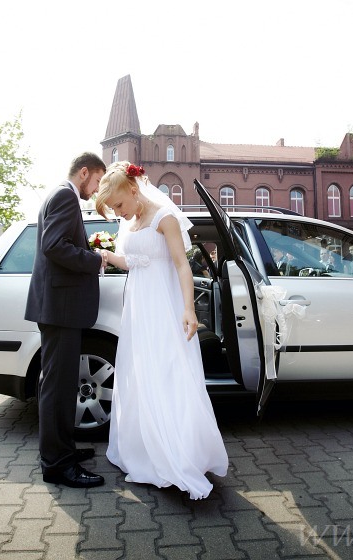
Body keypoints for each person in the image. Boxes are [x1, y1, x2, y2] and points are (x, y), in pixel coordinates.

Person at [95, 161, 228, 500]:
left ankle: (178, 451)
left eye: (120, 205)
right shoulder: (133, 223)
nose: (119, 213)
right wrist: (107, 255)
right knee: (142, 375)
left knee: (169, 373)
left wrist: (188, 309)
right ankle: (144, 450)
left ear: (134, 190)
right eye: (114, 209)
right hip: (138, 311)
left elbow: (183, 266)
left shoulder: (164, 217)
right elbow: (133, 262)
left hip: (164, 308)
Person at [25, 152, 106, 489]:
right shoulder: (64, 195)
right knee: (57, 389)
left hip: (60, 306)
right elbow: (54, 246)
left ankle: (64, 450)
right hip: (60, 308)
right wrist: (94, 259)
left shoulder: (63, 195)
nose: (97, 189)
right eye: (98, 181)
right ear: (84, 172)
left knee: (59, 385)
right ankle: (57, 465)